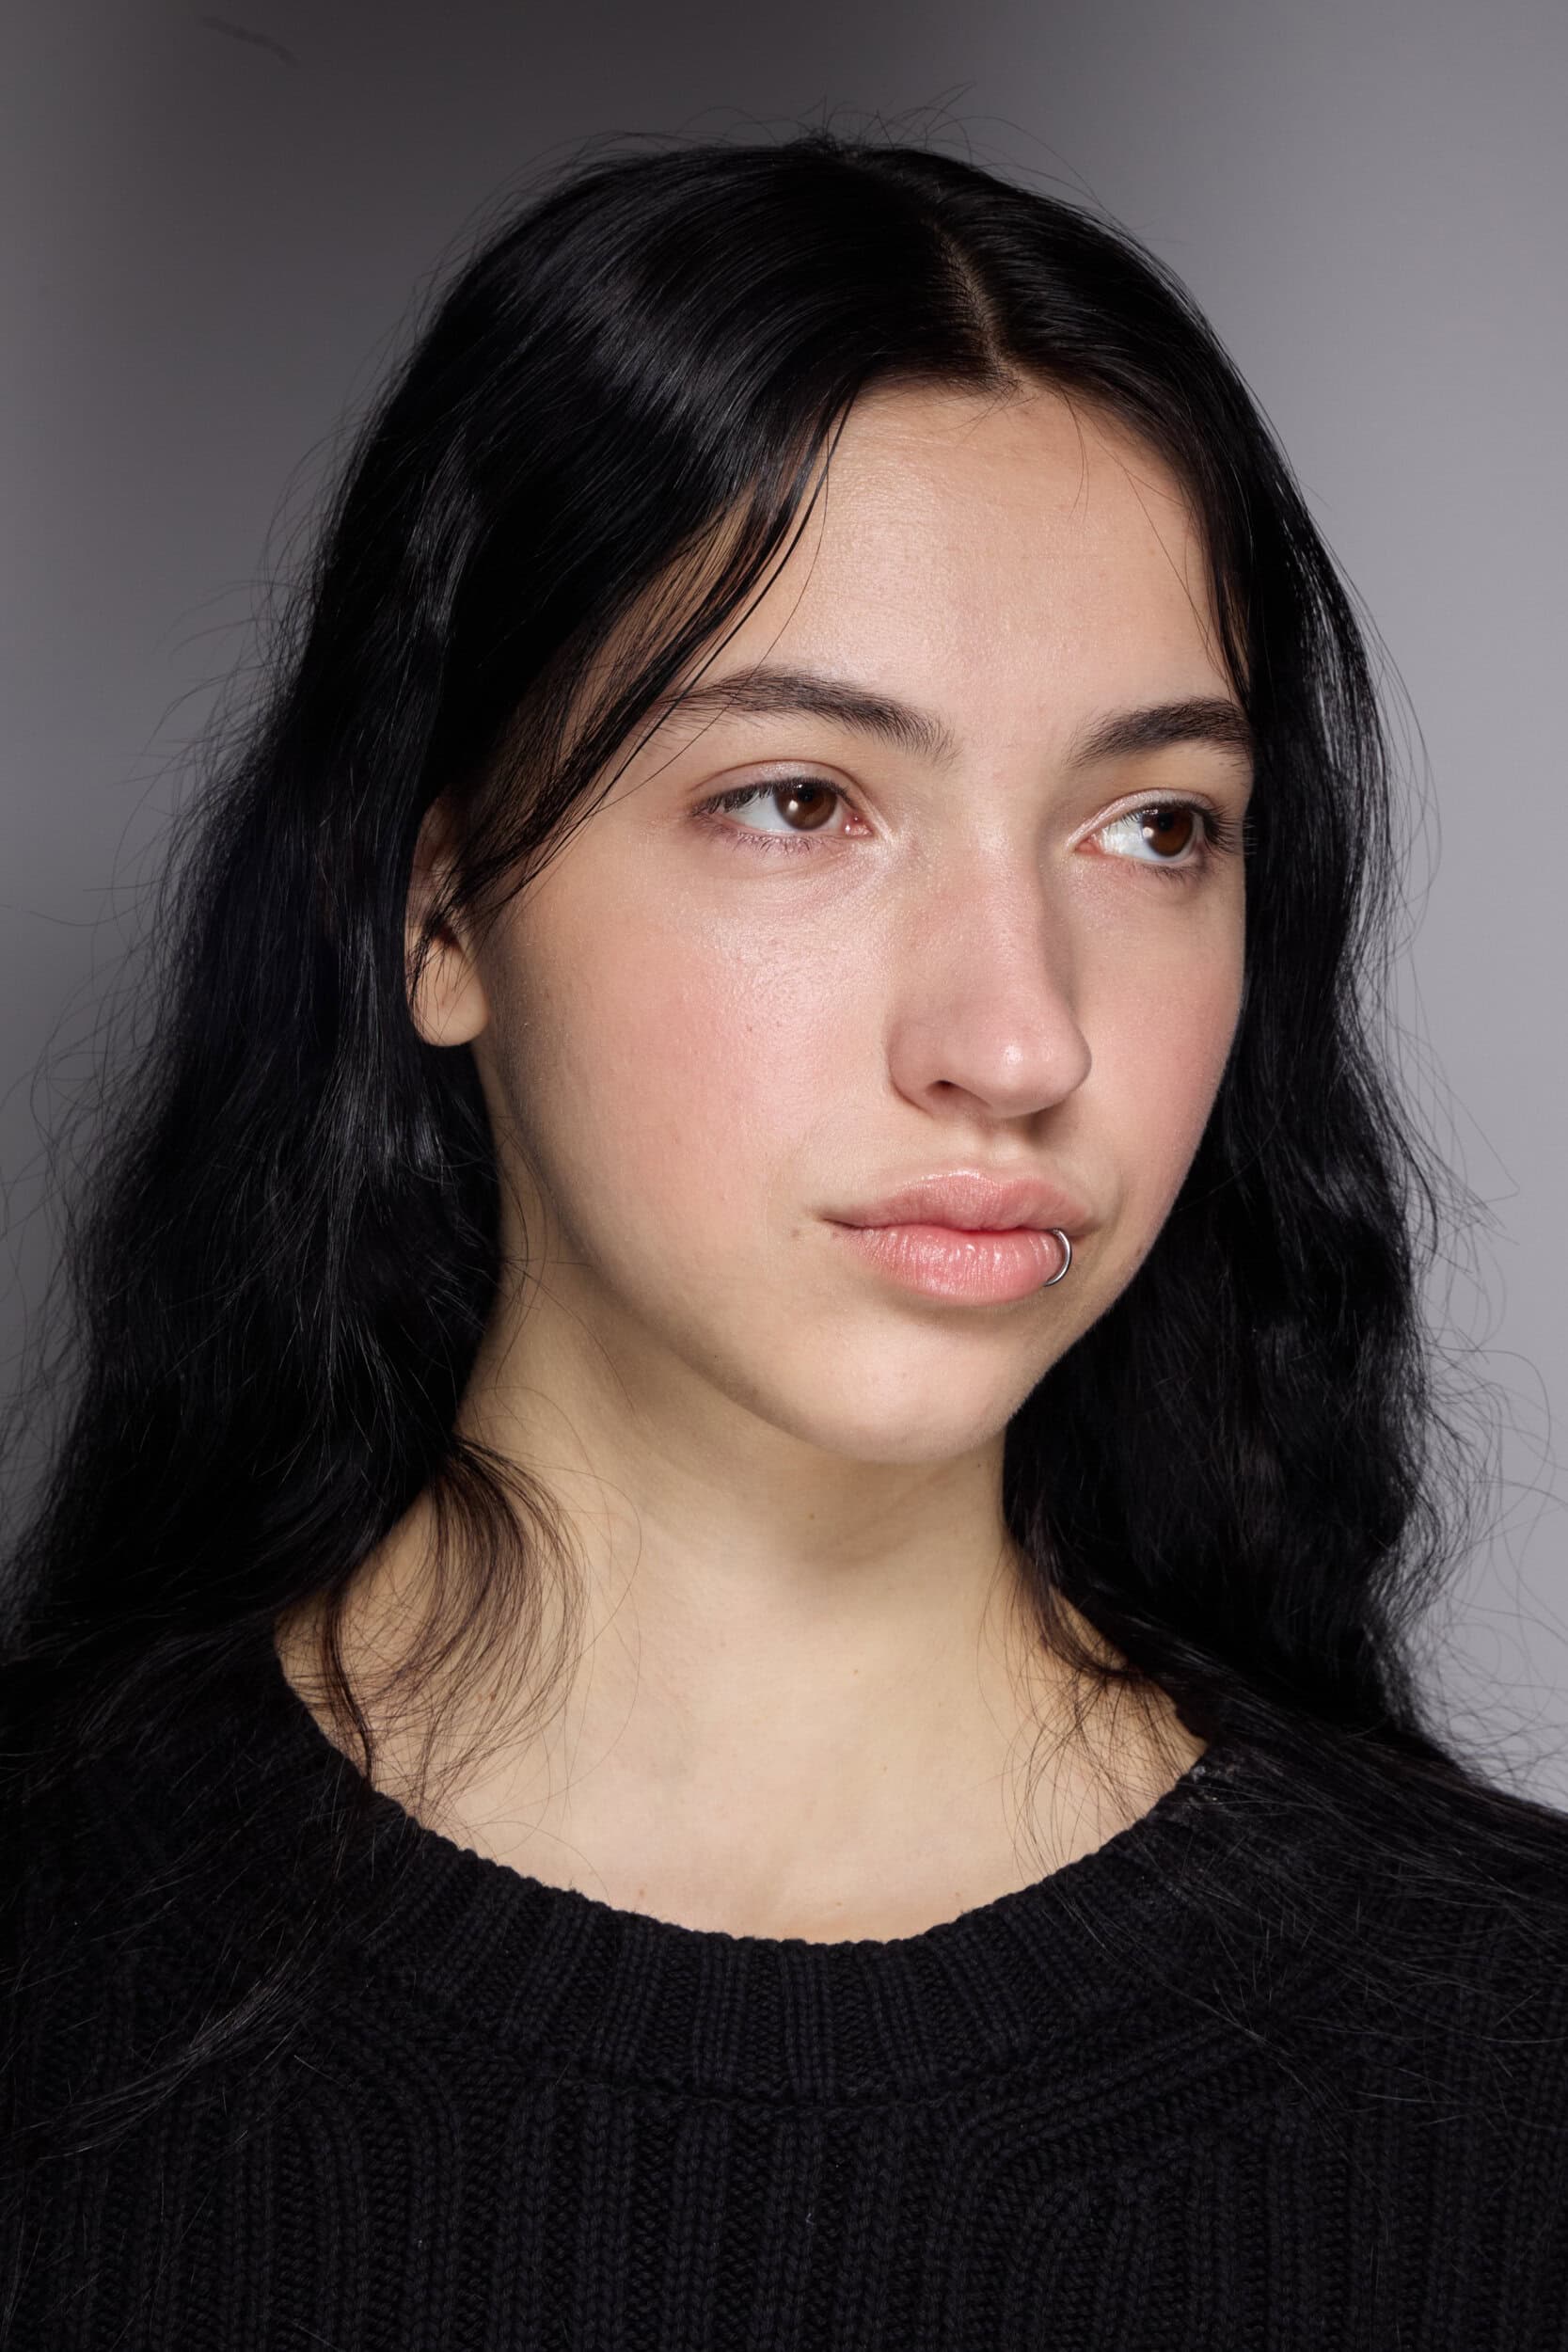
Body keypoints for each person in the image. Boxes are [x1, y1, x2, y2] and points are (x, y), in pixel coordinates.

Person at [2, 130, 1565, 2349]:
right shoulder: (54, 1970)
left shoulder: (1514, 2068)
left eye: (1155, 827)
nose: (1017, 1039)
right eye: (799, 800)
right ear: (435, 908)